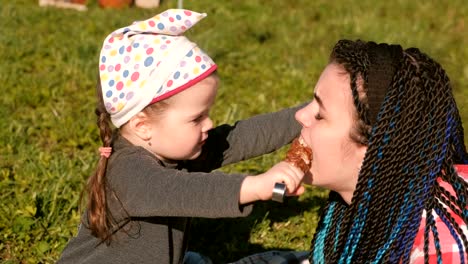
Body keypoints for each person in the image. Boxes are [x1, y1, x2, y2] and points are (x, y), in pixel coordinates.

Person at [58, 9, 307, 264]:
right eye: (196, 118)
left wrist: (305, 115)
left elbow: (241, 137)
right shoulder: (127, 172)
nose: (209, 123)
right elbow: (190, 191)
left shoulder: (174, 147)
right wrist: (257, 186)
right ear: (143, 126)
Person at [294, 39, 468, 263]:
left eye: (320, 115)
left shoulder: (439, 250)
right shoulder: (387, 199)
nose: (300, 116)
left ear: (370, 153)